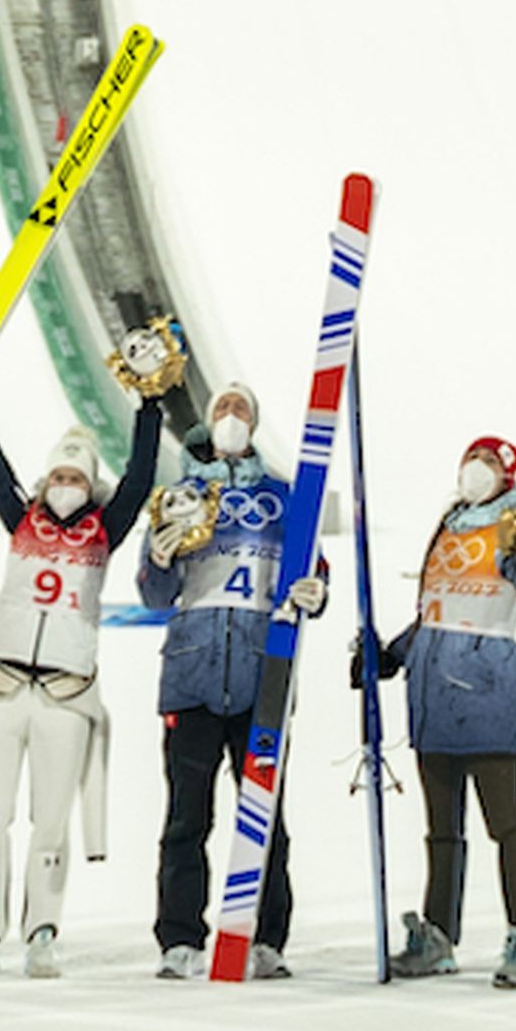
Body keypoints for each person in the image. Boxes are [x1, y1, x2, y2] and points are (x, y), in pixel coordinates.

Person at [0, 361, 169, 978]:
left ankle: (42, 929)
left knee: (50, 823)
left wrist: (150, 408)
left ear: (89, 486)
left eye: (77, 477)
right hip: (0, 688)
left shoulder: (103, 529)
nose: (66, 484)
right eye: (59, 475)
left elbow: (142, 477)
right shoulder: (20, 516)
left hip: (66, 696)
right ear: (46, 481)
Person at [138, 381, 328, 979]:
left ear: (254, 423)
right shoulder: (179, 495)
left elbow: (311, 569)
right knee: (187, 817)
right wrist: (160, 559)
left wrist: (315, 591)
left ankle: (266, 936)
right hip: (193, 675)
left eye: (241, 409)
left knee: (265, 815)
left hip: (260, 676)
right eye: (222, 408)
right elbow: (152, 593)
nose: (230, 418)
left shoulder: (283, 497)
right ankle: (179, 937)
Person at [355, 438, 516, 988]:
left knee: (504, 820)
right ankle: (438, 934)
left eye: (491, 463)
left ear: (507, 474)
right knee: (440, 828)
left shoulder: (514, 521)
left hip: (486, 678)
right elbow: (436, 606)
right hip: (432, 684)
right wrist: (391, 654)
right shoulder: (452, 522)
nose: (477, 470)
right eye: (474, 459)